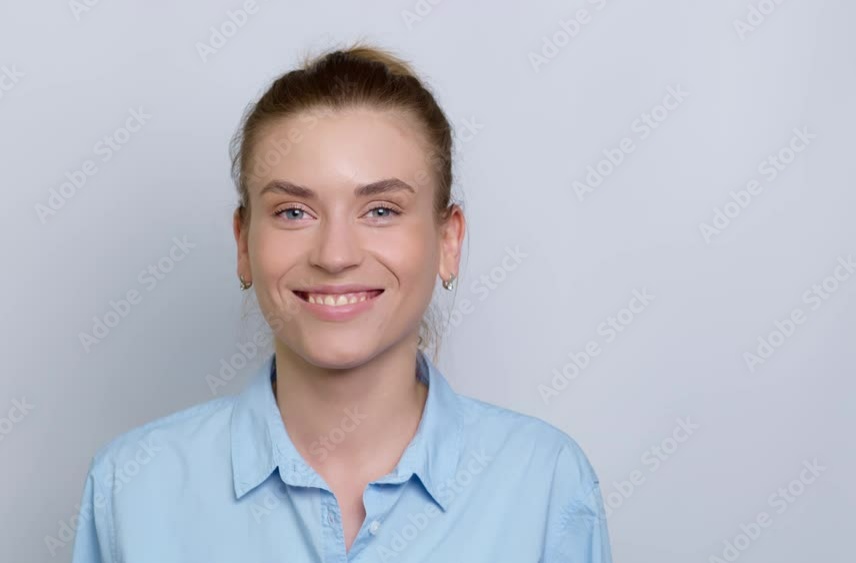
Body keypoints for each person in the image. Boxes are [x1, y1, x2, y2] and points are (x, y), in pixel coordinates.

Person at [70, 42, 613, 562]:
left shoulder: (545, 484)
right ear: (243, 243)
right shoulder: (132, 487)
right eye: (293, 212)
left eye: (380, 210)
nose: (335, 255)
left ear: (449, 241)